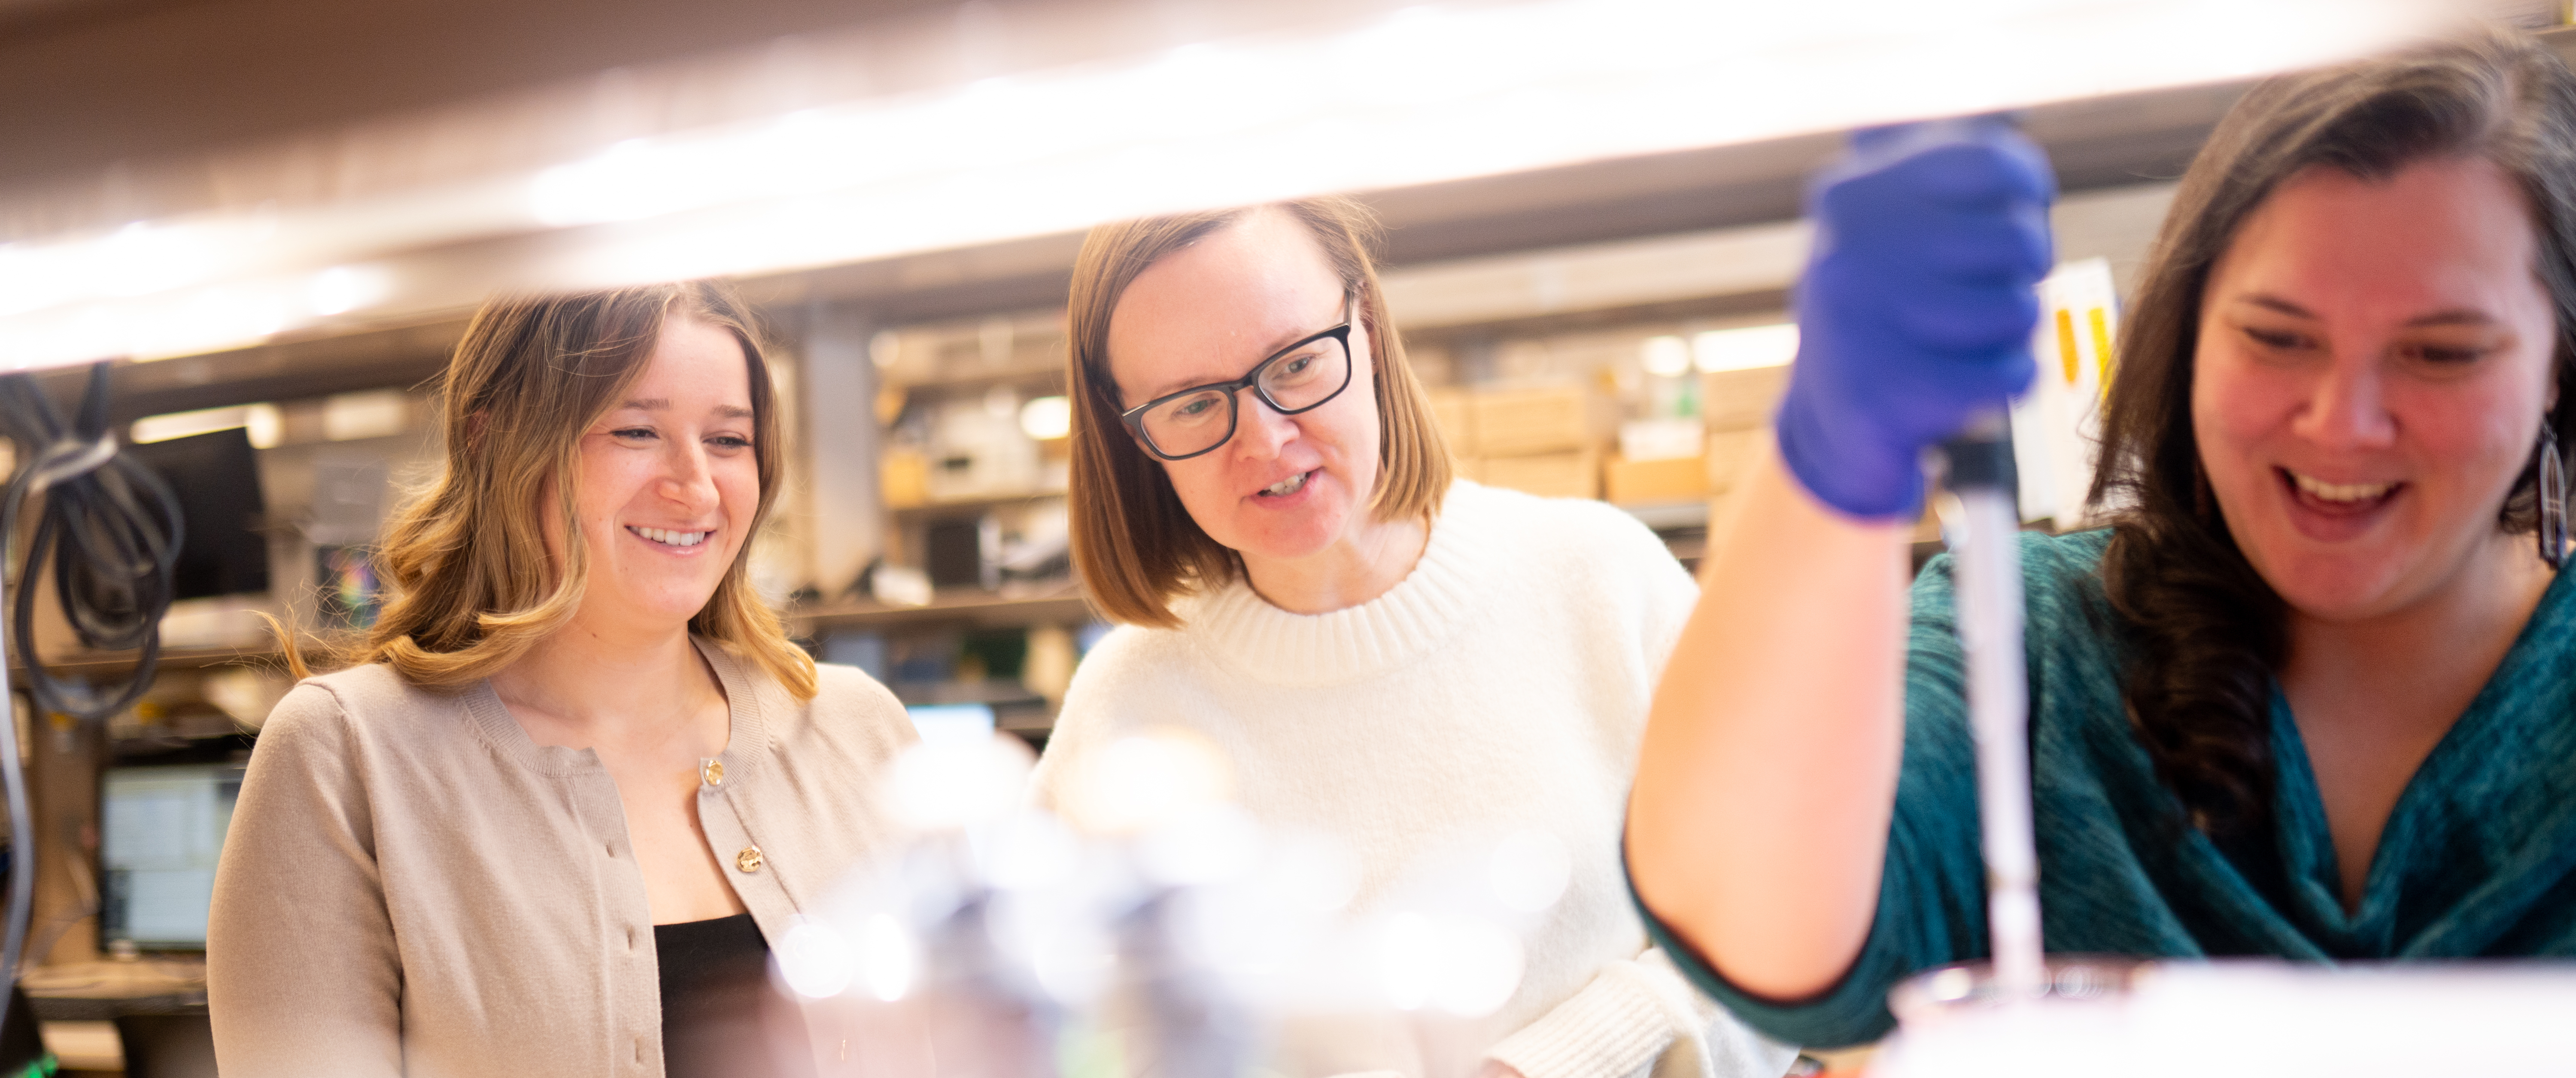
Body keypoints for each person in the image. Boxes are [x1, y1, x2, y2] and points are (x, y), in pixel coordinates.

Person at [1624, 29, 2576, 1050]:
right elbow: (1759, 934)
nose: (2342, 419)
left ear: (2561, 363)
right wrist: (1832, 450)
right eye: (2276, 336)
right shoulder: (2040, 634)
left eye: (2440, 352)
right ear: (2191, 330)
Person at [1027, 196, 1797, 1078]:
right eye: (1194, 406)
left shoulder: (1600, 581)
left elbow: (1785, 921)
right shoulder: (1126, 705)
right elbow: (1061, 1041)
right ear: (1130, 435)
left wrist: (1550, 1063)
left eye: (1298, 362)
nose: (1267, 439)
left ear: (1367, 327)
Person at [208, 283, 917, 1077]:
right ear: (497, 445)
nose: (695, 484)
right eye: (637, 430)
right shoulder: (346, 754)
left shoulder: (860, 731)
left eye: (727, 440)